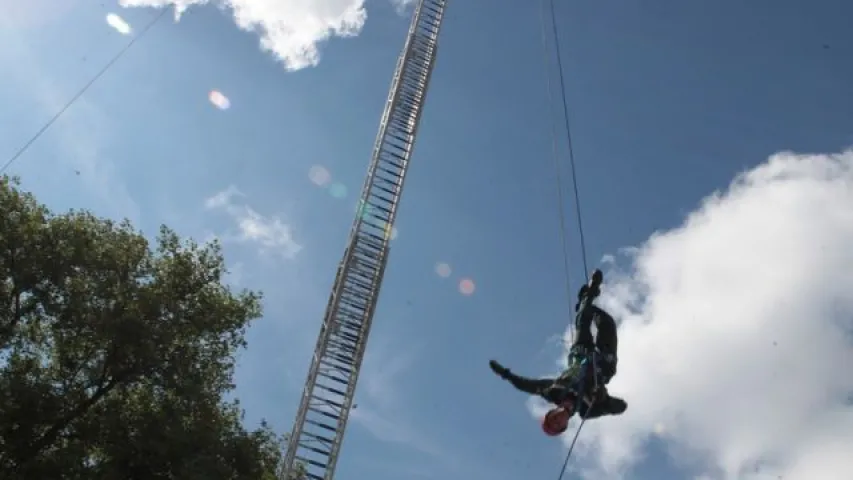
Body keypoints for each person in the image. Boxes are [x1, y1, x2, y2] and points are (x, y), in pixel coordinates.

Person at [489, 269, 627, 436]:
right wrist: (603, 399)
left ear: (552, 412)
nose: (558, 419)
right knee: (608, 324)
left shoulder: (553, 391)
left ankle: (588, 296)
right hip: (603, 365)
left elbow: (527, 385)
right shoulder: (586, 410)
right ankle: (586, 305)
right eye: (559, 424)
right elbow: (620, 407)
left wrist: (506, 374)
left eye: (553, 419)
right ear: (565, 425)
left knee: (583, 318)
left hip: (581, 354)